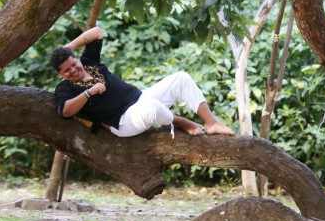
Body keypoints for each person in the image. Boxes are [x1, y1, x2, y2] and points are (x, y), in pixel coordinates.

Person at [51, 26, 234, 138]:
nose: (73, 70)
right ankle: (179, 121)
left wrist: (67, 49)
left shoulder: (89, 61)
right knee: (153, 108)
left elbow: (97, 32)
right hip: (124, 122)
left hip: (141, 98)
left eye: (74, 64)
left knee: (181, 77)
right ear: (60, 74)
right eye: (67, 70)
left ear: (77, 59)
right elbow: (65, 111)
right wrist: (88, 92)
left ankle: (211, 122)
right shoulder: (65, 88)